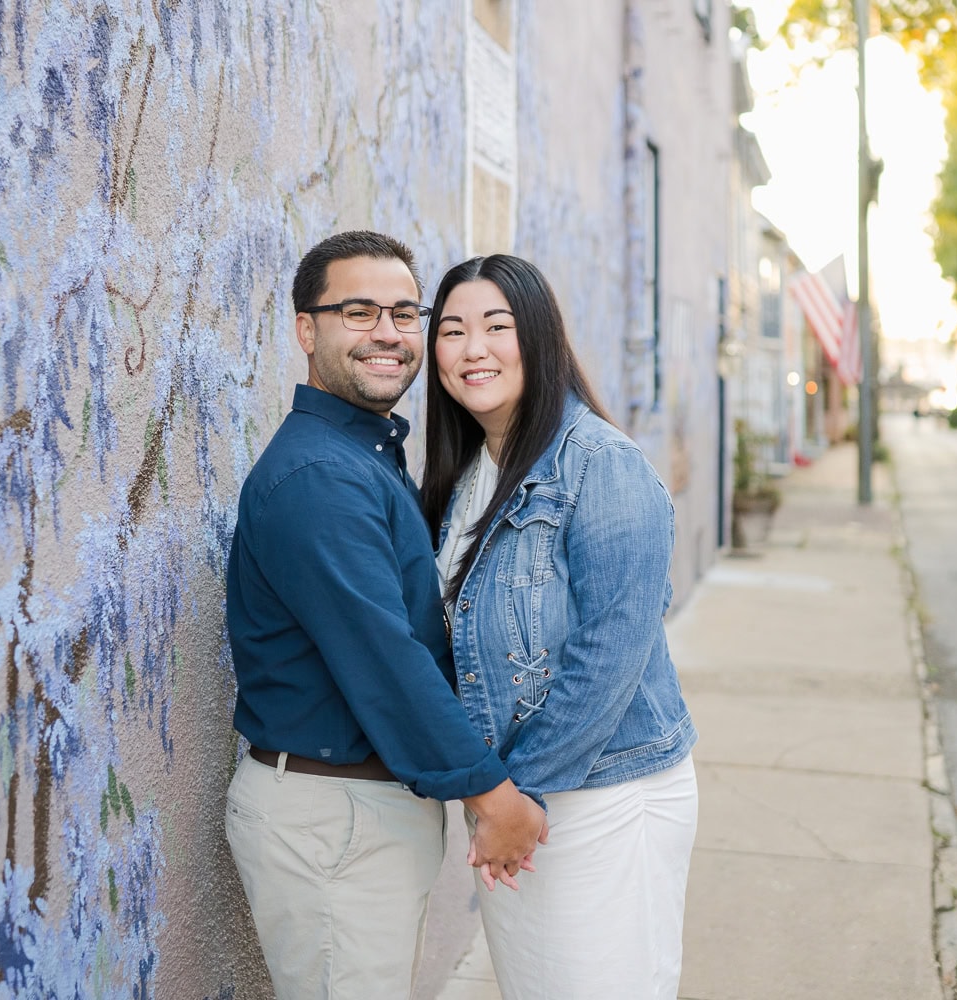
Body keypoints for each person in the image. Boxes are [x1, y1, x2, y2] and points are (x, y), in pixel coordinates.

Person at [224, 232, 546, 1000]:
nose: (389, 333)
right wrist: (490, 794)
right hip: (332, 819)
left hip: (359, 814)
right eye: (359, 311)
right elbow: (385, 660)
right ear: (308, 330)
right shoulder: (319, 477)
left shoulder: (366, 456)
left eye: (406, 313)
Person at [422, 254, 700, 999]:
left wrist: (521, 798)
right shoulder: (471, 472)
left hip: (604, 797)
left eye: (496, 327)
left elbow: (608, 656)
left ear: (539, 338)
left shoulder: (601, 466)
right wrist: (495, 795)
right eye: (451, 331)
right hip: (519, 804)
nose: (472, 349)